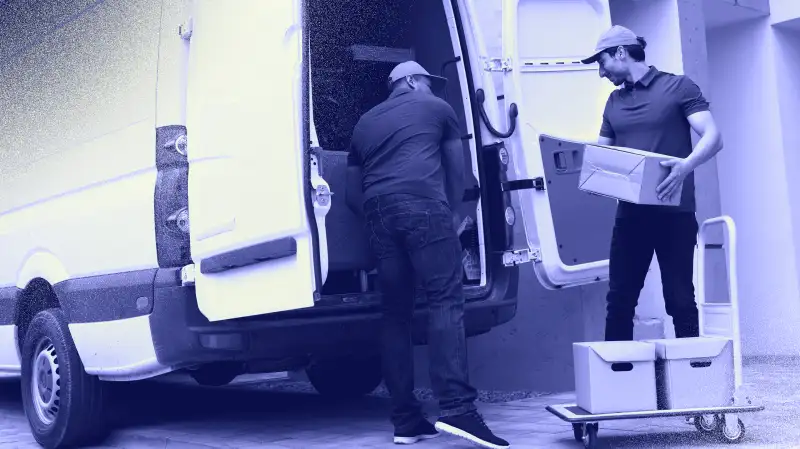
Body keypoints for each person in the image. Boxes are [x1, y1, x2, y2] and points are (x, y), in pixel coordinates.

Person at [345, 61, 510, 449]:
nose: (432, 89)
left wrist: (381, 218)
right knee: (445, 302)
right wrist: (454, 219)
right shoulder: (438, 110)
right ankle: (458, 410)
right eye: (428, 82)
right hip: (424, 208)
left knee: (395, 315)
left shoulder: (364, 123)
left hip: (379, 215)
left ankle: (406, 421)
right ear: (410, 81)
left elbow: (353, 196)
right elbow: (461, 176)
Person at [580, 25, 724, 342]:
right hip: (630, 218)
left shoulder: (679, 87)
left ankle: (695, 376)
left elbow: (713, 138)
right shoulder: (613, 103)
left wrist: (686, 166)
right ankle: (617, 379)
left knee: (680, 300)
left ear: (621, 52)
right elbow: (602, 156)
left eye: (602, 63)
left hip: (675, 214)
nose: (601, 73)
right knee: (619, 302)